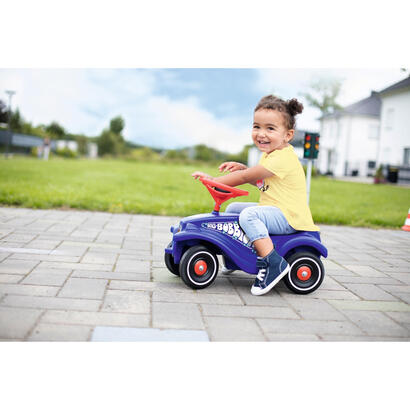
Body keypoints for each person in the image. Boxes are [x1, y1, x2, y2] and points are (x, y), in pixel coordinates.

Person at [192, 95, 319, 296]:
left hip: (289, 216)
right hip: (276, 210)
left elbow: (244, 177)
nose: (261, 134)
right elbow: (259, 180)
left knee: (249, 215)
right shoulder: (270, 154)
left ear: (288, 135)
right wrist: (244, 168)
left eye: (270, 128)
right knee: (234, 209)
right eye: (256, 127)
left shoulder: (282, 158)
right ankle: (236, 256)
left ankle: (273, 262)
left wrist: (214, 180)